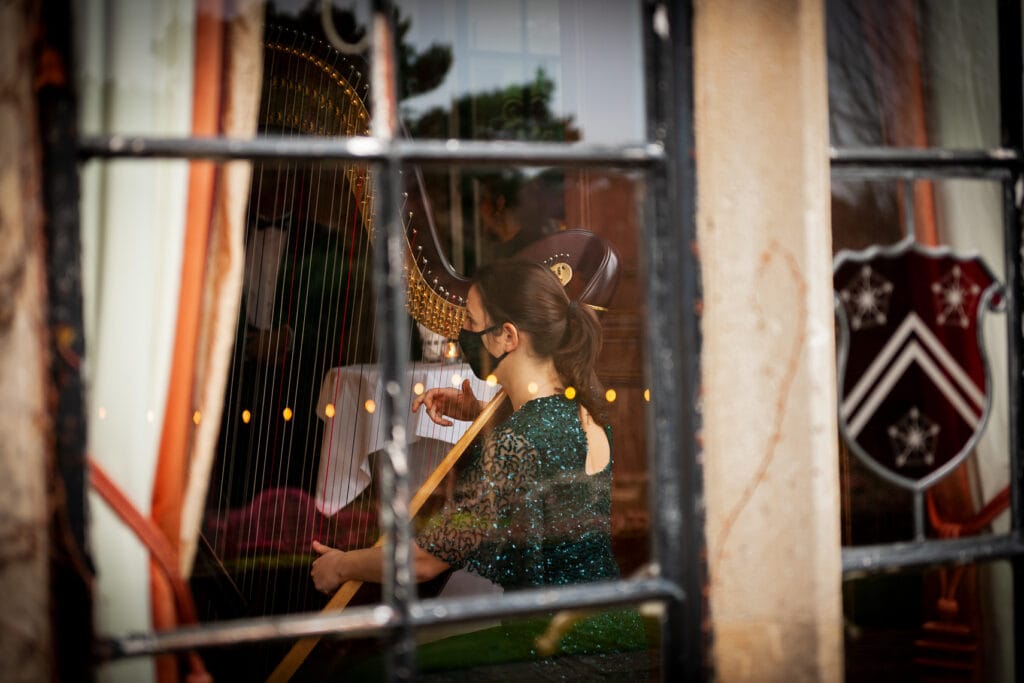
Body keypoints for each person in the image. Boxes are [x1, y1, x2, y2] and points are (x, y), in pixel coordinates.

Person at [309, 258, 648, 675]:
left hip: (557, 653)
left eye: (470, 322)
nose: (462, 334)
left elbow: (424, 562)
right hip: (617, 635)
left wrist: (340, 564)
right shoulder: (586, 407)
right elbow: (547, 444)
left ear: (507, 336)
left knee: (363, 673)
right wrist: (476, 410)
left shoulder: (515, 444)